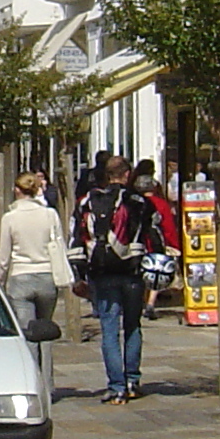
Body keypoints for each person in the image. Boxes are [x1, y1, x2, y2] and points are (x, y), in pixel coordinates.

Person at [75, 156, 158, 403]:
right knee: (132, 325)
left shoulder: (87, 202)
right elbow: (154, 234)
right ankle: (132, 380)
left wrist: (79, 274)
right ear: (127, 174)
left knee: (109, 330)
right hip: (132, 272)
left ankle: (116, 386)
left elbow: (77, 237)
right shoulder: (139, 202)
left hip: (102, 272)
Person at [0, 171, 73, 353]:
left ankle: (33, 374)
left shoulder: (9, 218)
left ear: (17, 190)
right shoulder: (49, 214)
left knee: (28, 334)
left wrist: (0, 281)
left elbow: (4, 257)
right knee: (45, 334)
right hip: (46, 276)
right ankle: (47, 377)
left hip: (20, 277)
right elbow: (60, 244)